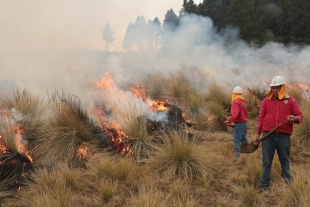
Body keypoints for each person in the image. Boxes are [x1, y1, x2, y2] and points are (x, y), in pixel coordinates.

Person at [254, 76, 303, 192]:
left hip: (284, 136)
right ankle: (264, 187)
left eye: (277, 88)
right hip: (267, 135)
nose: (275, 90)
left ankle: (290, 187)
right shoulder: (266, 101)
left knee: (285, 162)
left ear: (282, 88)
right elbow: (261, 118)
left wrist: (295, 118)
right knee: (267, 162)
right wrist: (257, 135)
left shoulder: (291, 101)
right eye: (273, 88)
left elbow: (300, 116)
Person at [224, 86, 248, 160]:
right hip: (244, 123)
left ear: (234, 93)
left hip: (239, 124)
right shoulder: (244, 102)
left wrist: (229, 120)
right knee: (244, 139)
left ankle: (239, 157)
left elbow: (235, 114)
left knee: (237, 140)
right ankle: (246, 155)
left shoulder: (236, 101)